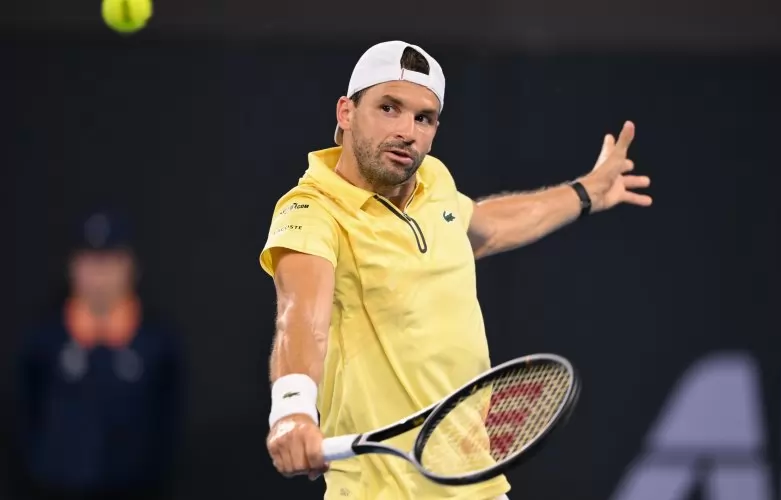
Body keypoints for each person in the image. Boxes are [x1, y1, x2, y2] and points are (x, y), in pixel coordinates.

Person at [260, 40, 651, 499]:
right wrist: (292, 410)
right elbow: (301, 317)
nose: (407, 131)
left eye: (423, 118)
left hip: (476, 485)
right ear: (346, 112)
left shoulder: (435, 183)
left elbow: (485, 228)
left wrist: (585, 193)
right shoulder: (312, 210)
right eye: (389, 108)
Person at [16, 210, 184, 500]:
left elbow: (170, 428)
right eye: (90, 262)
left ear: (131, 267)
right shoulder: (43, 341)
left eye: (110, 262)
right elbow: (24, 417)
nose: (99, 277)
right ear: (72, 267)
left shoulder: (159, 344)